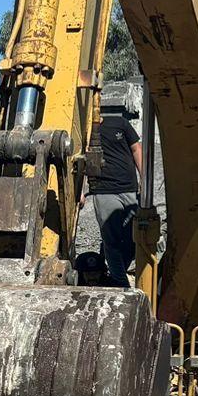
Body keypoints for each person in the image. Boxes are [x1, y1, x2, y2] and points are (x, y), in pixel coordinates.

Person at [85, 107, 143, 287]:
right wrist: (81, 191)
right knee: (111, 239)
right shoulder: (83, 133)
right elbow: (79, 161)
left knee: (135, 237)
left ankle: (118, 273)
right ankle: (120, 283)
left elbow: (136, 149)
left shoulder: (120, 123)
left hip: (129, 188)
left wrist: (145, 177)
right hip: (103, 190)